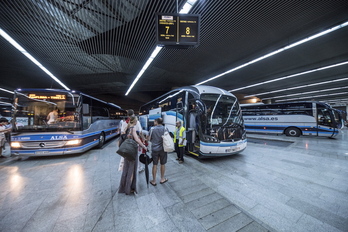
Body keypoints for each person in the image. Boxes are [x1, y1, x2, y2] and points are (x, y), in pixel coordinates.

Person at [118, 116, 147, 195]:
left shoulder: (126, 128)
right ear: (135, 121)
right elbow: (137, 140)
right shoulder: (133, 128)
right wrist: (144, 146)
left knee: (126, 170)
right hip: (132, 151)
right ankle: (129, 188)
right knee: (131, 170)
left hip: (126, 151)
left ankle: (123, 187)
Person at [147, 118, 168, 186]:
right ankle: (162, 179)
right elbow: (167, 138)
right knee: (163, 164)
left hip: (154, 149)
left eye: (154, 121)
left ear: (156, 122)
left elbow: (148, 139)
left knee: (155, 164)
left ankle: (154, 181)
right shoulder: (165, 128)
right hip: (163, 149)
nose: (154, 122)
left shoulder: (152, 129)